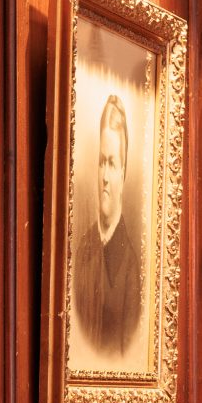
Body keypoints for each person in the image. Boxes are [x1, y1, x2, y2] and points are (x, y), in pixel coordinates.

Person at [72, 92, 143, 357]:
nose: (104, 175)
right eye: (102, 162)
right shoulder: (82, 252)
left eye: (112, 164)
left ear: (123, 173)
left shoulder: (130, 270)